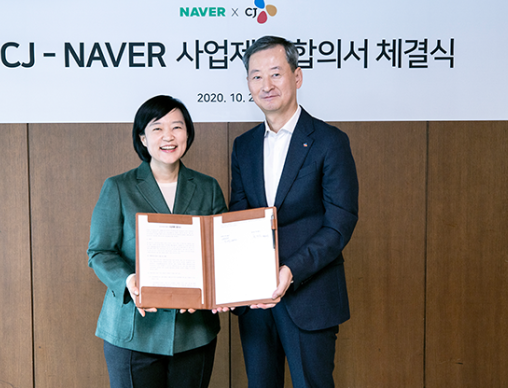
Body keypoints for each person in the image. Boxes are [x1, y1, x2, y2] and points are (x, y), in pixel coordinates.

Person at [228, 36, 359, 388]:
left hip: (309, 296)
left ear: (297, 77)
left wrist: (290, 271)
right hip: (254, 302)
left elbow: (340, 223)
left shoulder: (330, 142)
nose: (266, 85)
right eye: (256, 76)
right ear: (247, 84)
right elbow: (238, 218)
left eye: (275, 73)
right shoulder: (244, 146)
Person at [87, 95, 227, 388]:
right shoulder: (118, 187)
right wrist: (129, 281)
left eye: (177, 127)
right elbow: (100, 252)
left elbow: (221, 251)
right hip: (133, 330)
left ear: (187, 133)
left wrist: (215, 289)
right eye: (157, 128)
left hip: (193, 332)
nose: (168, 136)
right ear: (142, 136)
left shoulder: (207, 187)